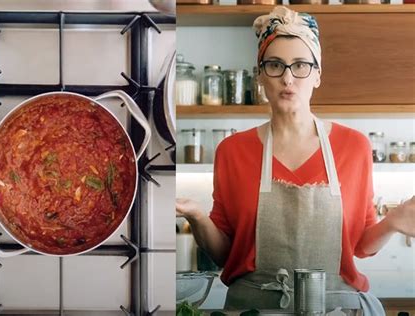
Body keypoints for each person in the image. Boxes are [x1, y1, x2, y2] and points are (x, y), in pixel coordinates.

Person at [176, 6, 415, 315]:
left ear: (317, 75)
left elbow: (360, 245)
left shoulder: (354, 146)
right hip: (253, 307)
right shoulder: (232, 150)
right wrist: (196, 215)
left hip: (336, 307)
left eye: (301, 65)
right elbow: (224, 255)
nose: (288, 77)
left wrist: (394, 222)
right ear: (260, 75)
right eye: (275, 65)